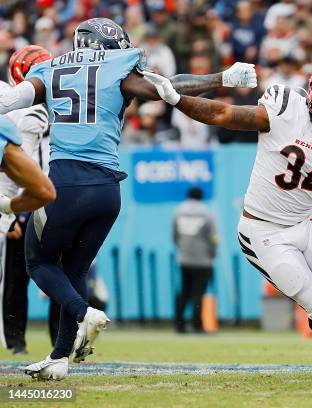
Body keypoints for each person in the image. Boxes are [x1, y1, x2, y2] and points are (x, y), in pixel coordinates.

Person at [0, 17, 257, 381]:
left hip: (65, 182)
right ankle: (59, 358)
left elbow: (10, 100)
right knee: (74, 271)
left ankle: (81, 313)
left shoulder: (50, 67)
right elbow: (166, 89)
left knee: (38, 262)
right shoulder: (119, 69)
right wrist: (223, 78)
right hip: (107, 189)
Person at [144, 59, 312, 382]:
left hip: (306, 222)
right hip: (263, 232)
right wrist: (179, 100)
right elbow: (223, 114)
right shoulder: (286, 108)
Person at [0, 45, 53, 355]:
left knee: (59, 273)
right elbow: (24, 164)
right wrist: (14, 212)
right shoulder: (21, 108)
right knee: (16, 279)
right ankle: (16, 341)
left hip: (46, 197)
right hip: (28, 199)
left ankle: (62, 342)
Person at [173, 186, 218, 334]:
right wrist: (213, 253)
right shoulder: (206, 212)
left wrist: (181, 249)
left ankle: (179, 324)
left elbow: (175, 235)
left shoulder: (179, 210)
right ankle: (196, 324)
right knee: (199, 292)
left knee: (184, 291)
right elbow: (213, 237)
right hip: (202, 259)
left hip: (184, 258)